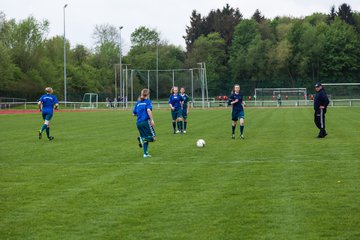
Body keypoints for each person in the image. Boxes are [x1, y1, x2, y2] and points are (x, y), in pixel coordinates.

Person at [133, 89, 156, 158]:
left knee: (146, 137)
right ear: (148, 95)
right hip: (145, 122)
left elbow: (134, 114)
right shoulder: (147, 102)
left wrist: (140, 114)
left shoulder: (138, 103)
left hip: (138, 123)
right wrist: (152, 120)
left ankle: (145, 154)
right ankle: (141, 139)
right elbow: (148, 110)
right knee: (153, 138)